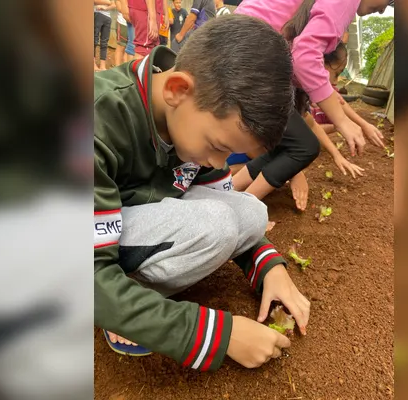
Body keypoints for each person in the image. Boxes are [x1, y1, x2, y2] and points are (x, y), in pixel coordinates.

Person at [94, 15, 310, 370]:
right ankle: (128, 303)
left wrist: (268, 265)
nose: (218, 161)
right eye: (217, 146)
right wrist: (216, 335)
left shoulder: (194, 115)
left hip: (127, 219)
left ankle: (129, 299)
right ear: (177, 89)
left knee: (250, 210)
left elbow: (228, 204)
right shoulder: (96, 119)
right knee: (214, 222)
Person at [231, 0, 389, 212]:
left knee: (289, 144)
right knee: (303, 146)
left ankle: (229, 193)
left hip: (240, 46)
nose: (384, 9)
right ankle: (240, 213)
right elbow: (304, 56)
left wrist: (353, 124)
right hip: (248, 56)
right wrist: (342, 123)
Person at [94, 0, 116, 71]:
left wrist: (106, 8)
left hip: (108, 17)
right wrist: (108, 2)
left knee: (105, 42)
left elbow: (114, 4)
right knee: (94, 40)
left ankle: (102, 66)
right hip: (97, 14)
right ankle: (93, 65)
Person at [115, 0, 129, 66]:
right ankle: (116, 68)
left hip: (132, 24)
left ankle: (125, 68)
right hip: (122, 23)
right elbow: (119, 8)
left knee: (128, 48)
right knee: (121, 46)